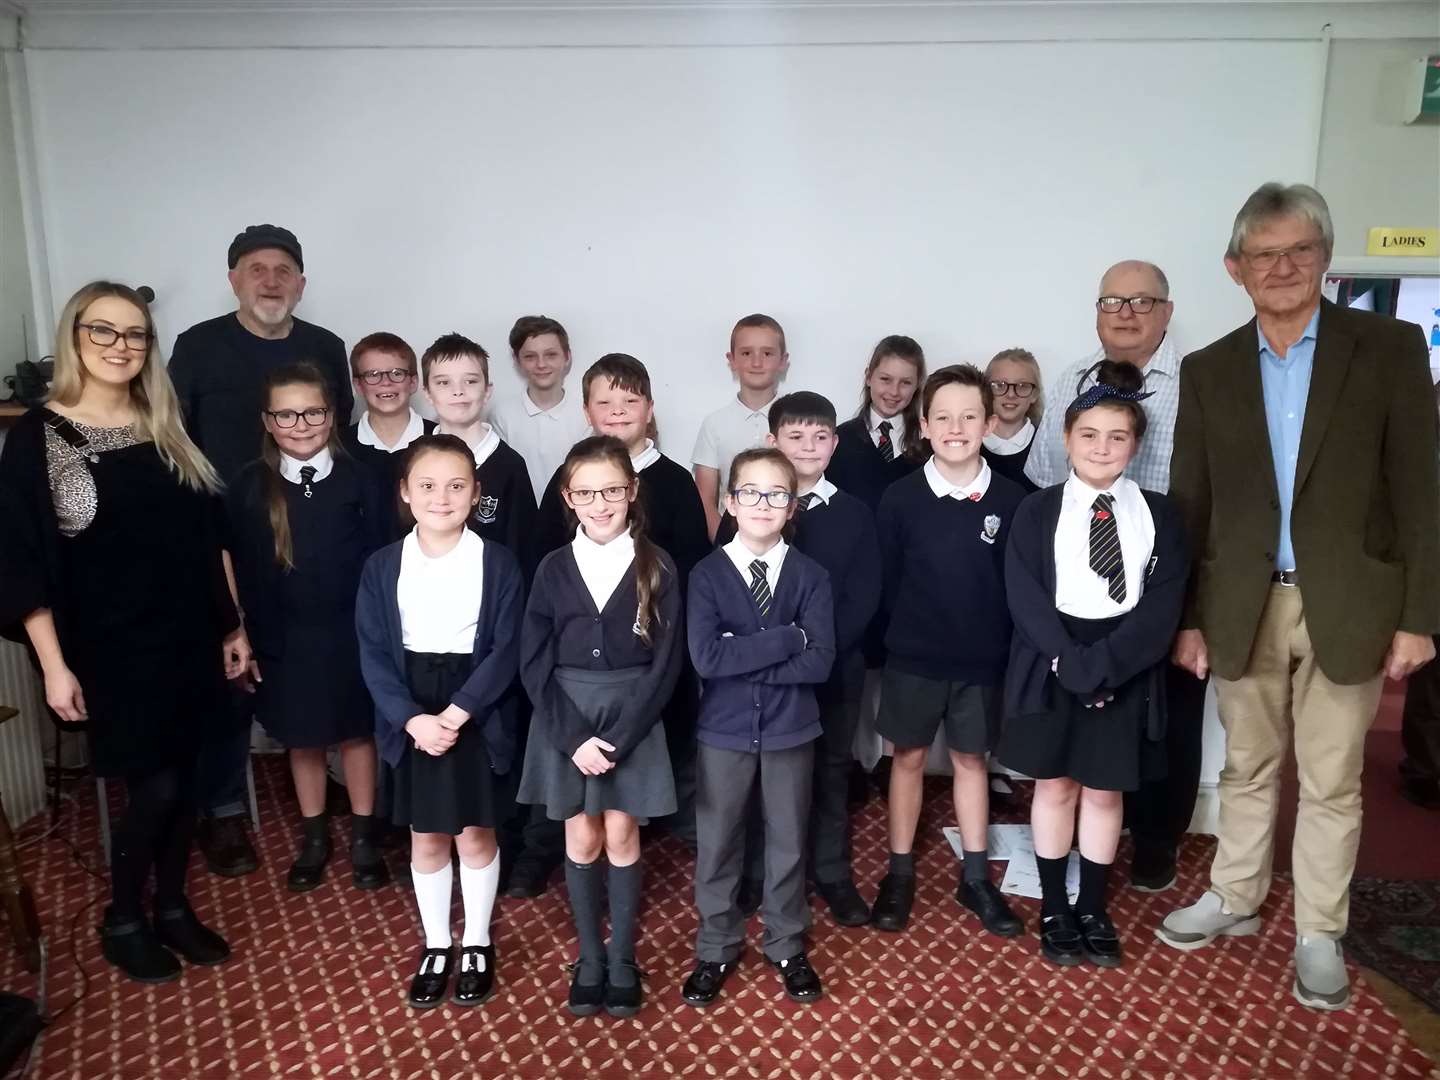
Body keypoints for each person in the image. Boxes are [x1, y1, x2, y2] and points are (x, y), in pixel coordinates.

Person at [1159, 183, 1439, 1011]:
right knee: (1247, 765)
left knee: (1332, 778)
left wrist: (1420, 616)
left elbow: (1421, 491)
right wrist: (1189, 616)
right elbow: (1191, 502)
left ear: (1323, 256)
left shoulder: (1385, 349)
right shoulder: (1210, 369)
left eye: (1300, 251)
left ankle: (1319, 928)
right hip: (1243, 602)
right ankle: (1236, 896)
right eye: (1264, 254)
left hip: (1351, 602)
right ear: (1235, 268)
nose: (1282, 268)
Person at [0, 281, 249, 982]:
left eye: (135, 333)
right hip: (110, 649)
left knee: (193, 779)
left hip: (190, 636)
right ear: (75, 337)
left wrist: (233, 627)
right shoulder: (38, 435)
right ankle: (123, 916)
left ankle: (171, 906)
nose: (121, 346)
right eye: (104, 331)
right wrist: (53, 667)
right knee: (156, 790)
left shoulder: (163, 422)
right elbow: (21, 562)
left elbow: (211, 540)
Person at [169, 223, 352, 879]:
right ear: (233, 280)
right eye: (255, 269)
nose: (270, 280)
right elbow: (173, 440)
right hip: (223, 537)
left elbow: (345, 440)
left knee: (318, 665)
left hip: (310, 531)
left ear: (301, 283)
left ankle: (330, 785)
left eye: (282, 270)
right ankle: (221, 811)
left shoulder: (325, 347)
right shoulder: (198, 348)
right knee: (230, 676)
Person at [996, 361, 1188, 968]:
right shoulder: (1038, 510)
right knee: (1055, 786)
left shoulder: (1159, 514)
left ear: (1134, 444)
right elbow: (1023, 593)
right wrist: (1068, 662)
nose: (1102, 448)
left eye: (1117, 436)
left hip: (1124, 662)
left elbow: (1163, 604)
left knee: (1105, 793)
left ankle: (1094, 906)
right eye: (1089, 435)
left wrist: (1108, 666)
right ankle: (1055, 904)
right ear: (1067, 439)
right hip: (1053, 657)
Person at [1024, 260, 1204, 894]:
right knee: (1078, 723)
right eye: (1112, 301)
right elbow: (1047, 472)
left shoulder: (1200, 380)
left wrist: (1193, 615)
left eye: (1141, 301)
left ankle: (1155, 841)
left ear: (1167, 310)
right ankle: (1078, 852)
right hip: (1080, 586)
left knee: (1166, 722)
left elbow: (1214, 497)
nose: (1125, 312)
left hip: (1162, 582)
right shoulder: (1075, 377)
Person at [355, 434, 524, 1009]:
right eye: (427, 486)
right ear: (405, 492)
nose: (442, 497)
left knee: (474, 831)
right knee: (425, 834)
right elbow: (373, 652)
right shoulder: (382, 565)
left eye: (456, 486)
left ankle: (476, 939)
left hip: (474, 703)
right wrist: (410, 719)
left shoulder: (497, 562)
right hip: (411, 708)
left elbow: (507, 647)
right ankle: (436, 942)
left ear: (476, 493)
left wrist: (458, 712)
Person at [518, 436, 683, 1018]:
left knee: (620, 835)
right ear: (568, 497)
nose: (600, 502)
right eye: (585, 492)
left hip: (630, 718)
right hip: (567, 717)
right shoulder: (552, 568)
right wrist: (573, 739)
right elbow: (533, 660)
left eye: (611, 489)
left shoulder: (657, 563)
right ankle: (589, 956)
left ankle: (623, 956)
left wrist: (618, 738)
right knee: (581, 836)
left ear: (631, 491)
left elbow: (665, 665)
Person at [869, 365, 1025, 938]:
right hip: (913, 657)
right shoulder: (900, 497)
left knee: (971, 762)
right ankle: (900, 871)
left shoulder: (1013, 499)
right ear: (925, 425)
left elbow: (1016, 587)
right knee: (906, 759)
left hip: (981, 660)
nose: (956, 427)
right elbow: (885, 581)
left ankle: (976, 876)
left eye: (968, 416)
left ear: (987, 421)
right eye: (943, 417)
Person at [715, 393, 882, 927]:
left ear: (834, 443)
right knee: (762, 779)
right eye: (795, 436)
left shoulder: (855, 514)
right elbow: (727, 596)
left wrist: (818, 653)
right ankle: (757, 874)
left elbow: (864, 594)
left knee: (832, 771)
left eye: (820, 437)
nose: (808, 447)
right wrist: (766, 662)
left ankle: (831, 874)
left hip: (832, 673)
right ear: (773, 442)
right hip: (758, 681)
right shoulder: (744, 511)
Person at [534, 355, 711, 857]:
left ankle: (665, 821)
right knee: (577, 760)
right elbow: (546, 563)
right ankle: (559, 838)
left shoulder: (674, 481)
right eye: (604, 402)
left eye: (629, 401)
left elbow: (695, 562)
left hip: (653, 650)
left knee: (664, 734)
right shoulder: (568, 482)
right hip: (582, 661)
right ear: (586, 411)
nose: (617, 411)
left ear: (649, 410)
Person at [681, 449, 835, 1008]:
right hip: (723, 731)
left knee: (788, 839)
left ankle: (787, 943)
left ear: (792, 506)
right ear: (730, 502)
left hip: (792, 729)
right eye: (750, 492)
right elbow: (706, 659)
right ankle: (717, 943)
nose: (762, 504)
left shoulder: (811, 575)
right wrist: (788, 638)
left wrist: (740, 650)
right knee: (718, 840)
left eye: (776, 494)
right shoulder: (706, 574)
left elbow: (820, 662)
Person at [226, 363, 389, 893]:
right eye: (286, 414)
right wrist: (239, 629)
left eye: (313, 411)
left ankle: (365, 835)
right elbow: (230, 560)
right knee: (304, 739)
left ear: (333, 414)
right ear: (268, 421)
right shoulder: (249, 484)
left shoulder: (364, 475)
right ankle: (315, 837)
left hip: (353, 633)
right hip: (285, 637)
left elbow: (387, 560)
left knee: (357, 733)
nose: (301, 423)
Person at [421, 333, 537, 561]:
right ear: (427, 393)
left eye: (471, 381)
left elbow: (523, 552)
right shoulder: (413, 459)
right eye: (444, 382)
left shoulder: (510, 466)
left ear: (487, 391)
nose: (458, 391)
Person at [691, 314, 789, 539]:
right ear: (732, 360)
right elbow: (705, 500)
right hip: (730, 543)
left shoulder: (793, 422)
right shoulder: (714, 424)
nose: (756, 362)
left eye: (767, 353)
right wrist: (725, 546)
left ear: (782, 360)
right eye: (746, 353)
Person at [489, 315, 591, 501]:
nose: (541, 364)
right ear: (517, 360)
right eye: (530, 356)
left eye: (551, 355)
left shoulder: (586, 413)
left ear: (567, 356)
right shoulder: (502, 415)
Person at [344, 331, 432, 534]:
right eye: (373, 375)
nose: (386, 382)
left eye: (397, 373)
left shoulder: (439, 440)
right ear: (358, 385)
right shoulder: (339, 447)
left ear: (413, 382)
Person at [829, 334, 928, 513]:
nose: (894, 391)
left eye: (905, 382)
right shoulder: (839, 441)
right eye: (885, 379)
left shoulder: (929, 445)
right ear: (868, 377)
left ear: (917, 386)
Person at [982, 347, 1044, 492]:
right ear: (985, 391)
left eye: (1022, 386)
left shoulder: (1045, 446)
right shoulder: (969, 442)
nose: (1010, 394)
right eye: (999, 385)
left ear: (1034, 394)